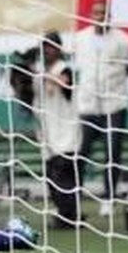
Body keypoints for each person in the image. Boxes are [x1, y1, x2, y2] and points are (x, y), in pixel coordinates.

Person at [73, 0, 128, 217]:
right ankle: (74, 198)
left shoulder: (124, 40)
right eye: (96, 12)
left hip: (114, 105)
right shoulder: (80, 39)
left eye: (103, 13)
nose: (99, 16)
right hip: (87, 105)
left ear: (110, 15)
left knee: (112, 152)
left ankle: (109, 197)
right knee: (80, 153)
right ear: (91, 14)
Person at [34, 32, 81, 227]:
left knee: (64, 177)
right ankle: (64, 214)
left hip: (66, 133)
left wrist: (44, 75)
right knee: (51, 178)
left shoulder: (65, 69)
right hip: (48, 134)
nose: (48, 51)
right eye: (45, 47)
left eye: (52, 47)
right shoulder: (38, 72)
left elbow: (65, 83)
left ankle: (69, 217)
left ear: (59, 49)